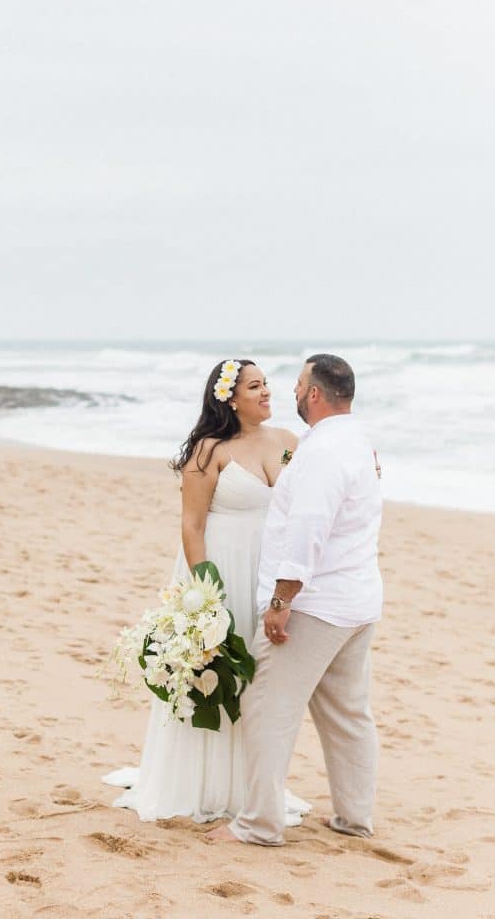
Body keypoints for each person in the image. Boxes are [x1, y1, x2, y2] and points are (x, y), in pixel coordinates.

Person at [102, 358, 309, 824]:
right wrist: (204, 596)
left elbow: (322, 481)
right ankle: (200, 783)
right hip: (222, 569)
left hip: (267, 571)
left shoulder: (288, 444)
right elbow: (192, 524)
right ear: (230, 399)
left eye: (267, 385)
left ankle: (250, 786)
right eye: (255, 387)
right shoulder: (208, 450)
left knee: (260, 677)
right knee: (217, 671)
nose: (266, 393)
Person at [208, 353, 384, 846]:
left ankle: (259, 824)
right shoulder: (355, 442)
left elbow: (309, 527)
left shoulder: (324, 452)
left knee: (268, 709)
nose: (289, 392)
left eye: (297, 384)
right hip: (357, 599)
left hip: (316, 606)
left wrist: (282, 599)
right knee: (348, 713)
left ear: (313, 393)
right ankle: (354, 817)